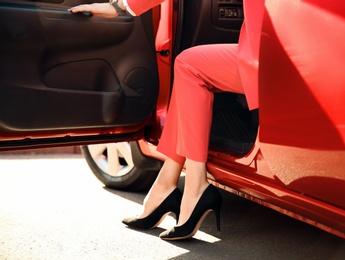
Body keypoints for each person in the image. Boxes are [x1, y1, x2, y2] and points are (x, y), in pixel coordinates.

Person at [68, 0, 265, 240]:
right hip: (293, 46)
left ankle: (193, 187)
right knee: (188, 76)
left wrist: (120, 6)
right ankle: (165, 186)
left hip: (271, 54)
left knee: (189, 65)